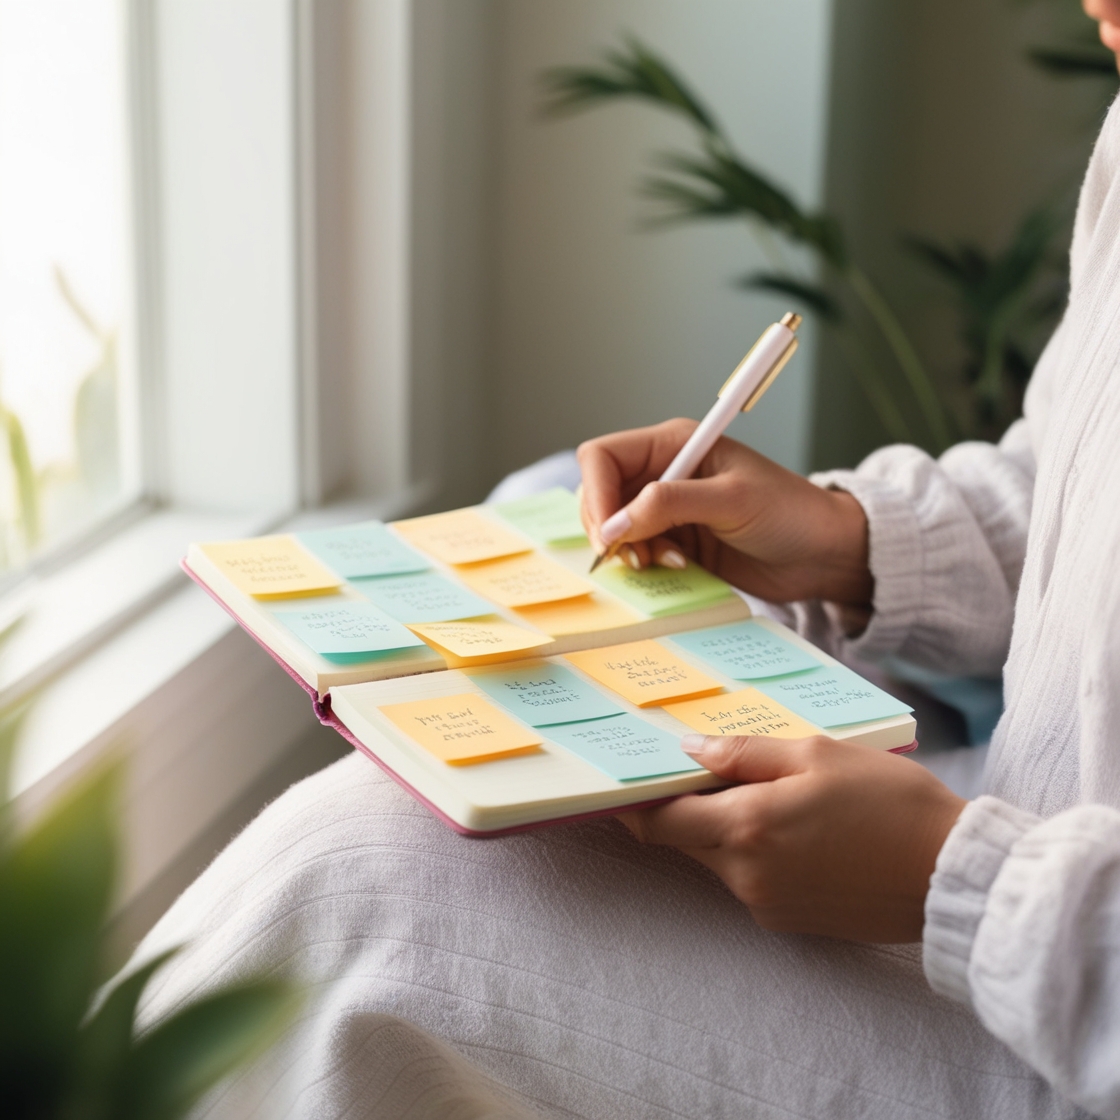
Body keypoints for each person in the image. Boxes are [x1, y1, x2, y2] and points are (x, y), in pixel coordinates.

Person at [127, 6, 1120, 1118]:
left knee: (352, 882)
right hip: (1021, 816)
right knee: (553, 503)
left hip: (1049, 1007)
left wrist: (953, 883)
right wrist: (850, 539)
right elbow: (1076, 474)